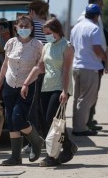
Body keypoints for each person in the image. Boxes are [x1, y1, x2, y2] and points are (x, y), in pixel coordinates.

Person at [20, 17, 77, 167]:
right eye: (44, 33)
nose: (46, 36)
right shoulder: (47, 46)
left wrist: (64, 91)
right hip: (46, 86)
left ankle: (52, 156)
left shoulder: (67, 46)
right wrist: (26, 83)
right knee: (45, 122)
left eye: (48, 33)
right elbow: (39, 67)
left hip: (60, 87)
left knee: (52, 120)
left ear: (57, 30)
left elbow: (66, 70)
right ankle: (66, 147)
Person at [0, 15, 44, 166]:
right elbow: (5, 65)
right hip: (9, 84)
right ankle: (15, 157)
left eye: (27, 26)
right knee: (11, 121)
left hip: (26, 86)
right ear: (15, 27)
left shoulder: (37, 45)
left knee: (17, 118)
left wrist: (28, 82)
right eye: (21, 26)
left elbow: (40, 68)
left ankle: (36, 141)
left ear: (32, 28)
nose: (24, 29)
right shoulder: (10, 43)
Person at [71, 4, 107, 136]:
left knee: (78, 99)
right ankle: (80, 128)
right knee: (87, 99)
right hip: (90, 67)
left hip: (77, 66)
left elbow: (72, 47)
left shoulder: (76, 27)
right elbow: (97, 48)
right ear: (97, 16)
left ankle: (77, 125)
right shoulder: (94, 28)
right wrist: (105, 57)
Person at [77, 0, 108, 130]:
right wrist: (103, 58)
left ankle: (88, 119)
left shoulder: (97, 18)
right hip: (89, 62)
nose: (102, 6)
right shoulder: (86, 18)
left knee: (93, 94)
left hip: (94, 62)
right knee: (88, 94)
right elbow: (94, 44)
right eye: (101, 4)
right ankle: (84, 123)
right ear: (96, 3)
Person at [22, 0, 49, 154]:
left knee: (32, 108)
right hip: (44, 71)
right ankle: (43, 138)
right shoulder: (47, 27)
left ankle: (34, 142)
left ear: (32, 11)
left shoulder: (33, 27)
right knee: (40, 108)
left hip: (34, 71)